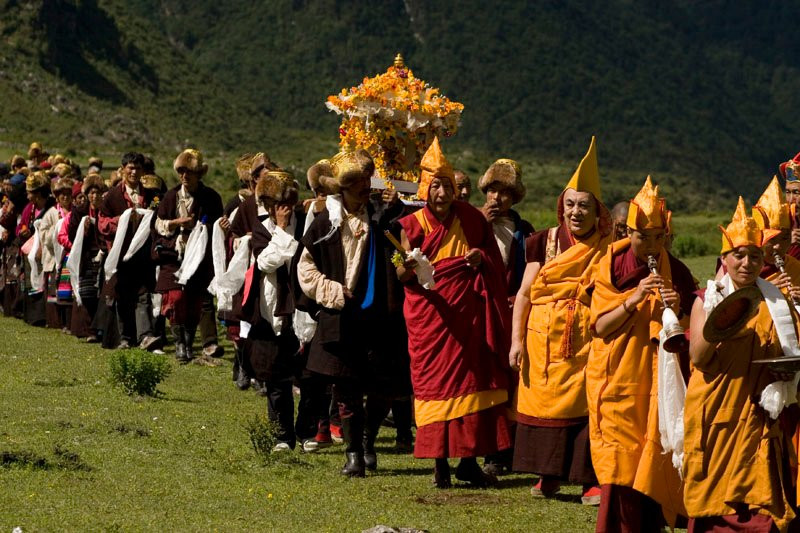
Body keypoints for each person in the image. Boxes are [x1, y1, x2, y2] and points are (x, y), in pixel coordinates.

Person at [395, 137, 512, 488]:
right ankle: (440, 462)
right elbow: (402, 275)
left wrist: (479, 260)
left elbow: (491, 258)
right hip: (430, 316)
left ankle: (468, 461)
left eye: (446, 186)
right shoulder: (411, 225)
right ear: (424, 190)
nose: (442, 193)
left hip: (467, 317)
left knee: (471, 383)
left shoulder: (473, 219)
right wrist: (409, 264)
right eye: (435, 186)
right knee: (434, 385)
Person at [588, 176, 697, 530]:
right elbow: (600, 327)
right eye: (641, 236)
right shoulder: (610, 266)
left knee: (653, 458)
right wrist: (633, 301)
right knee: (619, 464)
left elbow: (688, 327)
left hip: (658, 386)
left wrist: (677, 309)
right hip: (617, 380)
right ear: (627, 233)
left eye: (657, 237)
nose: (650, 246)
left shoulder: (676, 270)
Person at [684, 197, 798, 531]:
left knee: (760, 498)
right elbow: (698, 357)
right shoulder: (708, 299)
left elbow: (791, 349)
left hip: (758, 411)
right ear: (724, 258)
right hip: (716, 411)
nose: (747, 263)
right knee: (714, 492)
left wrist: (785, 371)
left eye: (755, 255)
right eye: (739, 255)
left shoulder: (776, 299)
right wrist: (724, 320)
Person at [510, 136, 610, 504]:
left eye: (584, 205)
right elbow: (524, 292)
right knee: (542, 405)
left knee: (587, 406)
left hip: (587, 337)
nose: (576, 212)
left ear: (597, 210)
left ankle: (590, 480)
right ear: (561, 207)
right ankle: (548, 475)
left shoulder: (608, 245)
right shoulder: (542, 241)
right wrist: (516, 341)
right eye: (570, 204)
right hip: (543, 337)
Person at [295, 148, 402, 476]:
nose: (363, 186)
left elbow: (402, 256)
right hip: (342, 316)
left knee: (385, 387)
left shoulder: (384, 219)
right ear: (341, 187)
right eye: (356, 181)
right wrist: (333, 292)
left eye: (366, 180)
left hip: (381, 316)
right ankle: (354, 453)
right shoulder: (325, 223)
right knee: (347, 391)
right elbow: (304, 268)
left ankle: (369, 440)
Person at [152, 149, 223, 363]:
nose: (185, 176)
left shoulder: (211, 197)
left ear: (199, 173)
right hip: (173, 254)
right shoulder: (170, 196)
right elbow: (158, 223)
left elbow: (218, 226)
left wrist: (201, 229)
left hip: (199, 257)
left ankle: (189, 344)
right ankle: (179, 344)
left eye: (189, 172)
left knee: (194, 301)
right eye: (181, 171)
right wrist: (176, 224)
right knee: (175, 300)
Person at [98, 152, 160, 350]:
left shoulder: (151, 195)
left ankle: (145, 336)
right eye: (130, 168)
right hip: (120, 255)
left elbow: (158, 217)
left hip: (143, 254)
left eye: (138, 168)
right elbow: (102, 224)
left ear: (142, 171)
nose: (134, 172)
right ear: (123, 169)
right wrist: (122, 220)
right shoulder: (112, 196)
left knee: (143, 294)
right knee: (123, 295)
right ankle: (125, 338)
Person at [479, 159, 535, 300]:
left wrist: (518, 296)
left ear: (514, 198)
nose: (496, 197)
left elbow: (533, 270)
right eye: (492, 190)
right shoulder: (472, 219)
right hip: (478, 296)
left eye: (504, 192)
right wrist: (482, 222)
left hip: (508, 298)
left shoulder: (524, 229)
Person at [66, 174, 107, 342]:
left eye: (97, 193)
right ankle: (91, 329)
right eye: (91, 193)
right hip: (86, 257)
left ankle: (102, 329)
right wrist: (83, 229)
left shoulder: (106, 209)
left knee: (102, 293)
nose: (94, 196)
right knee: (87, 293)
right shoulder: (80, 211)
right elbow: (70, 233)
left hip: (104, 255)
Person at [19, 171, 58, 326]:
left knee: (43, 283)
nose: (28, 195)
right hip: (32, 252)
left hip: (47, 251)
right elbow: (21, 224)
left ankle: (42, 316)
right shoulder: (30, 208)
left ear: (38, 193)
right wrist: (24, 230)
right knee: (32, 282)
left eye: (30, 192)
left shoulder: (51, 208)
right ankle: (32, 315)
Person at [780, 152, 800, 261]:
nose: (791, 199)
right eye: (788, 192)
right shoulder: (778, 223)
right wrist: (785, 243)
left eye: (797, 192)